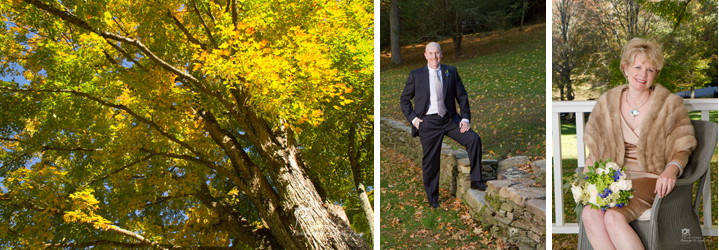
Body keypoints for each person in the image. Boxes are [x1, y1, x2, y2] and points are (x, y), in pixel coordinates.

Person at [581, 38, 697, 249]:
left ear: (656, 74)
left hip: (650, 177)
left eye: (650, 69)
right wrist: (590, 181)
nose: (643, 74)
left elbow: (682, 148)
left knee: (613, 217)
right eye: (638, 67)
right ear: (625, 68)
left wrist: (671, 171)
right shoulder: (607, 103)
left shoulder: (669, 105)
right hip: (613, 178)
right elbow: (595, 151)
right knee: (589, 214)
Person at [400, 42, 486, 209]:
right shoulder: (416, 75)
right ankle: (433, 199)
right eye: (431, 53)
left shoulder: (450, 72)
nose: (434, 57)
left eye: (437, 53)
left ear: (441, 54)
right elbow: (404, 100)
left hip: (450, 120)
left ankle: (476, 181)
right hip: (428, 122)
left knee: (474, 139)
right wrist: (414, 120)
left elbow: (462, 96)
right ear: (425, 55)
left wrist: (465, 119)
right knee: (431, 161)